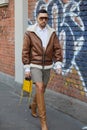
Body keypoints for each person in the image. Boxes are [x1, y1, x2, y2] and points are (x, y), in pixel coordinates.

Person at [22, 9, 62, 130]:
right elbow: (25, 50)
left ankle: (33, 105)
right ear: (37, 18)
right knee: (39, 87)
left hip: (48, 66)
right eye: (41, 18)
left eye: (46, 18)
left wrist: (58, 63)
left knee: (42, 89)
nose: (44, 20)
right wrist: (27, 68)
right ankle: (43, 121)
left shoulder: (52, 32)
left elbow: (57, 49)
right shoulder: (30, 32)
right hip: (35, 65)